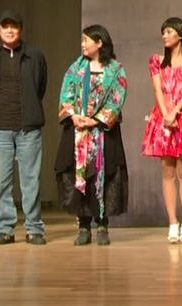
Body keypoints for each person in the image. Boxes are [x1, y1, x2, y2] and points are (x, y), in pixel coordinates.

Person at [55, 25, 128, 246]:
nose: (83, 44)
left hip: (103, 133)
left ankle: (103, 225)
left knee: (103, 177)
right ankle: (83, 226)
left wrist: (96, 120)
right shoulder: (76, 68)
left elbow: (117, 98)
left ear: (99, 43)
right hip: (79, 133)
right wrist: (73, 116)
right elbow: (66, 95)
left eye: (86, 40)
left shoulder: (115, 70)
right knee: (81, 177)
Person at [0, 10, 47, 246]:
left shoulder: (34, 55)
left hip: (28, 128)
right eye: (5, 26)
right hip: (0, 128)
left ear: (21, 29)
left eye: (14, 26)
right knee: (1, 182)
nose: (9, 30)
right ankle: (4, 229)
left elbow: (40, 87)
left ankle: (34, 228)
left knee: (30, 181)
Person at [142, 17, 182, 244]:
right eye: (163, 32)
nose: (165, 36)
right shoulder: (156, 61)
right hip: (163, 118)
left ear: (180, 35)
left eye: (169, 32)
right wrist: (166, 114)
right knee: (167, 172)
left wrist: (176, 111)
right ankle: (172, 222)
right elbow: (158, 90)